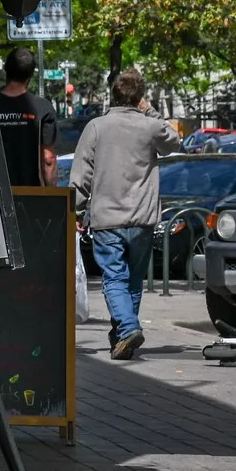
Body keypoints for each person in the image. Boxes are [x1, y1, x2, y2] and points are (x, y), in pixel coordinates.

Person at [69, 68, 181, 360]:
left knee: (115, 278)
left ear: (113, 94)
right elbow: (174, 141)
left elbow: (81, 174)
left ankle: (128, 327)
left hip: (108, 218)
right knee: (132, 280)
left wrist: (76, 211)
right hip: (143, 216)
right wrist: (151, 111)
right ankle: (121, 336)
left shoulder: (96, 127)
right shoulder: (149, 126)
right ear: (140, 97)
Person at [0, 47, 57, 187]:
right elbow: (48, 158)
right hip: (29, 193)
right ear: (31, 74)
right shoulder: (43, 108)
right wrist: (52, 193)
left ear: (5, 69)